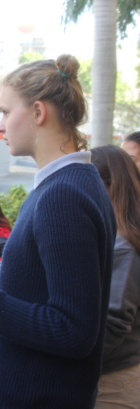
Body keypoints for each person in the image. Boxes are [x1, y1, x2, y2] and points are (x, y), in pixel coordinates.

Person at [0, 55, 116, 409]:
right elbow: (43, 303)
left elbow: (72, 332)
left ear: (38, 112)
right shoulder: (71, 185)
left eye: (5, 111)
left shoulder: (63, 197)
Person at [90, 145, 140, 408]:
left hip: (114, 383)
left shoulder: (126, 246)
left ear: (106, 185)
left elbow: (113, 323)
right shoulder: (119, 235)